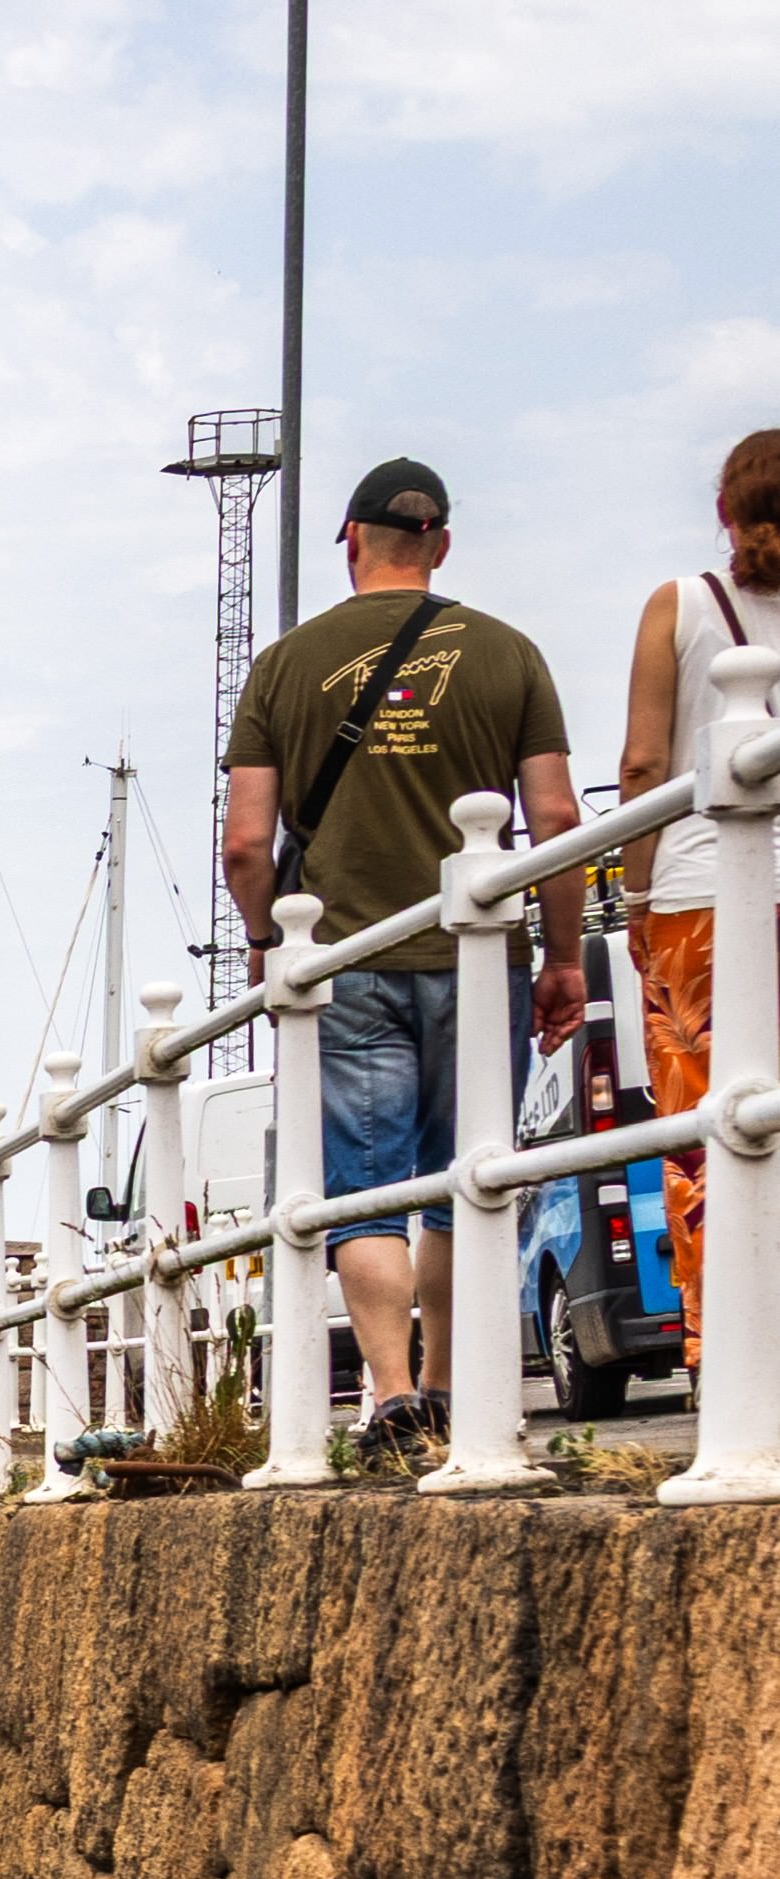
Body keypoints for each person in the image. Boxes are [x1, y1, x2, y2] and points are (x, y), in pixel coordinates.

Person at [224, 462, 585, 1463]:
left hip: (345, 961)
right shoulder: (510, 653)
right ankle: (447, 1389)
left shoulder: (286, 665)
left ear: (351, 539)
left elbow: (246, 844)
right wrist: (562, 958)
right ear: (441, 544)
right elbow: (556, 818)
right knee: (465, 1178)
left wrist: (267, 942)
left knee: (366, 1183)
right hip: (478, 957)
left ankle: (388, 1397)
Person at [613, 430, 780, 1339]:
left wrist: (634, 901)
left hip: (694, 900)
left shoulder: (679, 605)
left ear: (724, 512)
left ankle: (725, 1344)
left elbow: (642, 767)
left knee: (702, 1133)